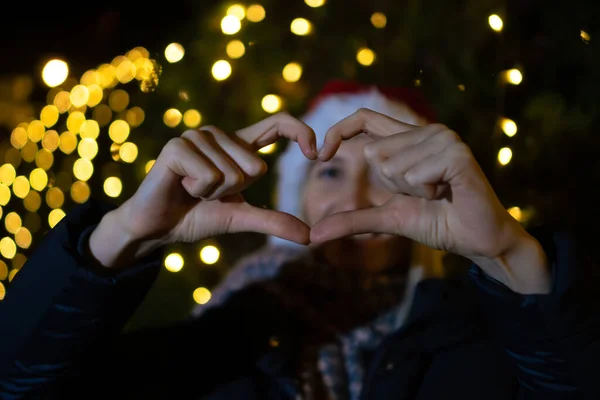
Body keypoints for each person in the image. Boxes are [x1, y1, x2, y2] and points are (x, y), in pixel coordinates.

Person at [0, 80, 597, 400]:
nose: (355, 199)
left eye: (385, 174)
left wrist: (510, 255)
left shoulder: (485, 344)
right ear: (299, 197)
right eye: (333, 171)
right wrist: (122, 238)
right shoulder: (219, 341)